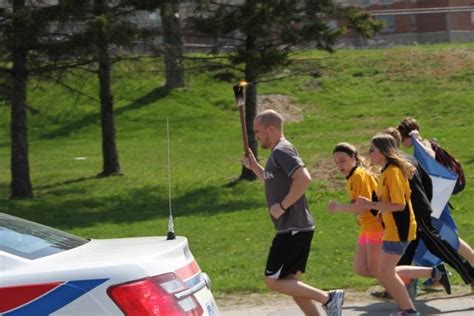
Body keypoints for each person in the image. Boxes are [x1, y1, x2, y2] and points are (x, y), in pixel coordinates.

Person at [243, 109, 344, 316]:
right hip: (295, 227)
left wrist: (281, 207)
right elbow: (273, 181)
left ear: (271, 129)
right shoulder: (277, 153)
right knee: (292, 284)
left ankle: (329, 298)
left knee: (272, 281)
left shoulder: (282, 150)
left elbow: (304, 179)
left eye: (258, 131)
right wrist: (255, 167)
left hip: (293, 227)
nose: (256, 136)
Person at [356, 134, 420, 315]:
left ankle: (409, 310)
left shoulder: (393, 172)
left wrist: (370, 205)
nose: (369, 153)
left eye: (372, 150)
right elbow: (389, 202)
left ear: (383, 152)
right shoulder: (385, 172)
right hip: (392, 229)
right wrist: (380, 214)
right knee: (386, 272)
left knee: (385, 273)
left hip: (401, 229)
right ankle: (406, 308)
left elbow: (399, 205)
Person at [397, 117, 474, 265]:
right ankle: (434, 274)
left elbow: (430, 157)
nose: (402, 143)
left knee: (448, 236)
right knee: (433, 236)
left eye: (402, 139)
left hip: (435, 201)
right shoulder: (416, 149)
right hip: (430, 199)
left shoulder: (423, 144)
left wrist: (416, 139)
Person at [327, 143, 383, 279]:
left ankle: (425, 275)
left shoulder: (358, 175)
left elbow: (363, 206)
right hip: (366, 225)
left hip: (375, 225)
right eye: (336, 162)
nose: (340, 165)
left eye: (342, 161)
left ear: (354, 158)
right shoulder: (352, 176)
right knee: (361, 268)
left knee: (379, 270)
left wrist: (338, 207)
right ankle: (399, 285)